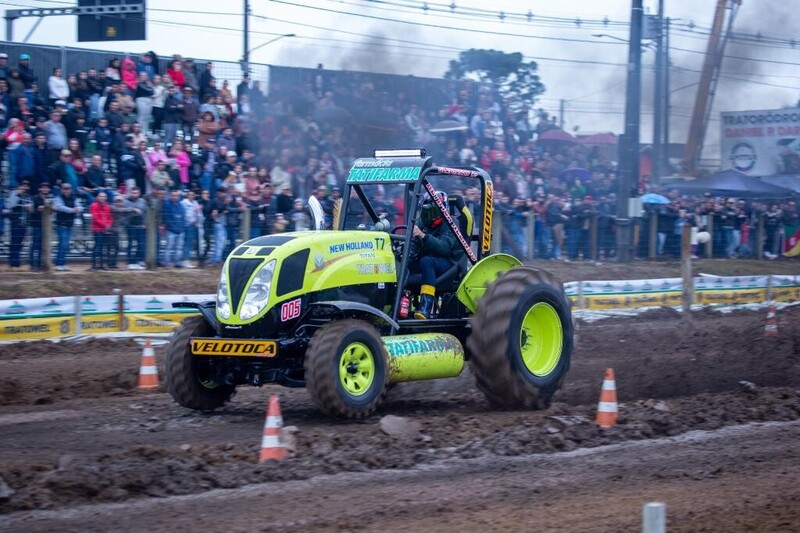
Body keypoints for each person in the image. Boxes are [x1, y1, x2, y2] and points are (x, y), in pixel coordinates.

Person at [409, 191, 461, 319]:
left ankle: (425, 307)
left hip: (448, 263)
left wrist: (423, 236)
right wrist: (406, 255)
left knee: (427, 261)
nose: (428, 214)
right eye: (426, 210)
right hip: (426, 260)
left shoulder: (451, 222)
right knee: (403, 262)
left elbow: (444, 248)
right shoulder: (423, 222)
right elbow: (413, 245)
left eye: (431, 210)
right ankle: (396, 302)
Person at [53, 183, 82, 270]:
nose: (66, 190)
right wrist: (73, 210)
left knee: (65, 245)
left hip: (69, 224)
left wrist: (76, 209)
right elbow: (60, 207)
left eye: (68, 188)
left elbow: (80, 207)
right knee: (63, 244)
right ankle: (59, 263)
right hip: (61, 224)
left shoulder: (73, 198)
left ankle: (63, 263)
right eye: (64, 188)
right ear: (61, 189)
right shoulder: (58, 198)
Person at [6, 181, 32, 270]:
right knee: (14, 243)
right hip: (15, 222)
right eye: (22, 186)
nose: (24, 187)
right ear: (19, 186)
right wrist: (17, 195)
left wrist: (29, 208)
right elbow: (10, 205)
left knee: (20, 244)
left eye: (26, 186)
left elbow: (31, 209)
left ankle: (17, 263)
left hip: (24, 223)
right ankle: (13, 263)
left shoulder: (28, 196)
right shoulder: (14, 194)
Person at [161, 188, 186, 268]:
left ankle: (177, 262)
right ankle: (166, 262)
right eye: (173, 195)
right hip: (171, 230)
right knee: (169, 247)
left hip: (180, 230)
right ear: (170, 196)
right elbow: (167, 218)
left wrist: (181, 228)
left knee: (178, 248)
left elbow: (183, 217)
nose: (175, 197)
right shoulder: (167, 205)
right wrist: (173, 228)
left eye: (176, 196)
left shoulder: (180, 205)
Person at [124, 186, 147, 269]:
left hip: (140, 226)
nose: (135, 194)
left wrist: (145, 223)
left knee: (141, 244)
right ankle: (130, 261)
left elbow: (145, 213)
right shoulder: (126, 201)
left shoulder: (142, 201)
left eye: (137, 193)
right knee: (131, 244)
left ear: (139, 193)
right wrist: (133, 209)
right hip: (130, 226)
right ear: (130, 193)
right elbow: (124, 210)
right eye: (133, 193)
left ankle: (139, 260)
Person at [90, 191, 112, 270]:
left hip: (105, 229)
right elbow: (95, 219)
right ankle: (94, 264)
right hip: (97, 229)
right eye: (101, 196)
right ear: (98, 197)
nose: (102, 198)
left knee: (104, 247)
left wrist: (108, 225)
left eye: (104, 196)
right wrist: (105, 225)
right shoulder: (94, 205)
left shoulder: (107, 206)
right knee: (98, 246)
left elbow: (109, 217)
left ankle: (102, 264)